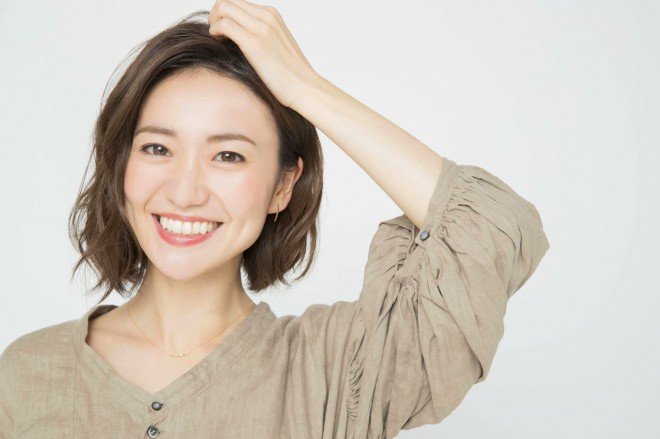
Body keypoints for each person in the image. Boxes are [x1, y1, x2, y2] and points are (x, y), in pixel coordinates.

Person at [0, 2, 550, 438]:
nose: (184, 192)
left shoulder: (338, 369)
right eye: (157, 149)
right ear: (122, 166)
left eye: (228, 155)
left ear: (283, 185)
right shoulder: (27, 373)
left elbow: (492, 223)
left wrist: (305, 88)